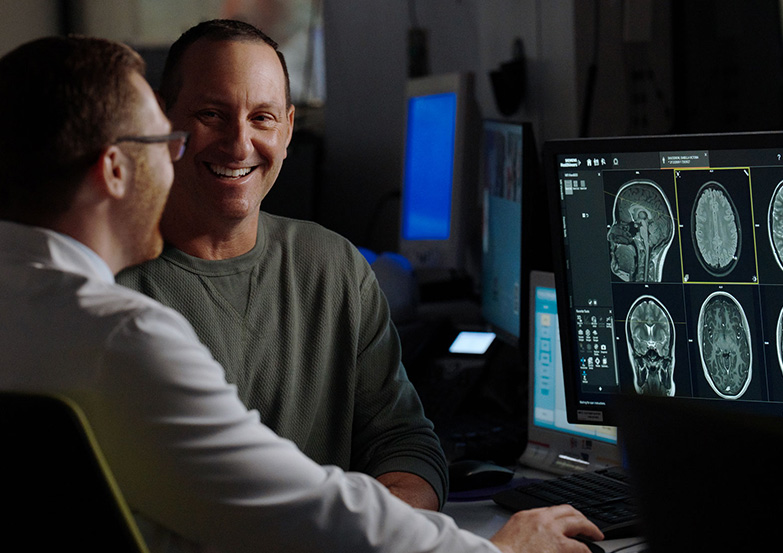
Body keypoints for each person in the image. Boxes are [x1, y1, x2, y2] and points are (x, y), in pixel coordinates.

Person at [0, 35, 604, 553]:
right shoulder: (119, 334)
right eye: (167, 140)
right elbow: (304, 513)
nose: (219, 146)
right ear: (113, 169)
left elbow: (390, 445)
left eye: (262, 116)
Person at [116, 19, 446, 510]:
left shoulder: (335, 267)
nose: (239, 144)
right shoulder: (110, 285)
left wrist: (383, 527)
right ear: (163, 121)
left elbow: (404, 442)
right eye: (212, 114)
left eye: (263, 118)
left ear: (289, 129)